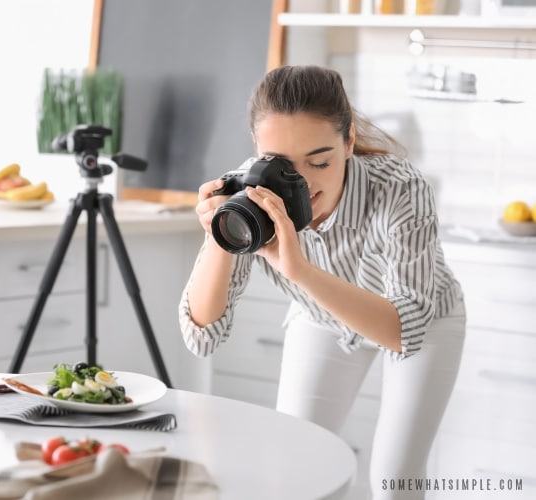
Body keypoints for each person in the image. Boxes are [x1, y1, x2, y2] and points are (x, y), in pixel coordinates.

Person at [178, 65, 466, 499]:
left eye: (319, 161)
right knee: (293, 464)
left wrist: (300, 271)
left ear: (348, 141)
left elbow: (404, 331)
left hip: (422, 323)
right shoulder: (248, 190)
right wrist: (219, 237)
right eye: (280, 164)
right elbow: (201, 339)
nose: (303, 183)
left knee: (394, 478)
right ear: (258, 148)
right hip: (322, 318)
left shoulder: (400, 189)